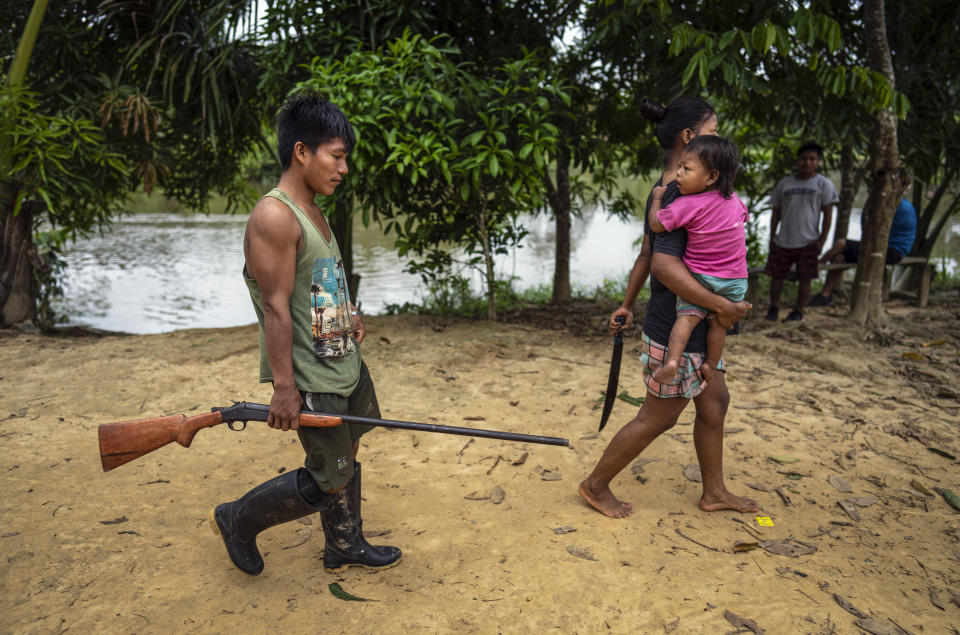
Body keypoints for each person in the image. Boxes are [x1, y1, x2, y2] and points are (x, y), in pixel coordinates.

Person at [209, 93, 401, 576]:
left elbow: (319, 282)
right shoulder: (274, 217)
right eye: (336, 156)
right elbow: (275, 308)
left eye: (344, 158)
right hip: (312, 377)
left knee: (348, 455)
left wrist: (347, 311)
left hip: (343, 361)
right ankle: (238, 518)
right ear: (302, 152)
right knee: (327, 477)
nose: (344, 168)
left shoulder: (313, 208)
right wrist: (284, 388)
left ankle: (344, 544)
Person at [578, 96, 758, 519]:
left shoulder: (679, 188)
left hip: (701, 317)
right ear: (690, 137)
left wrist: (625, 303)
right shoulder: (678, 192)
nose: (719, 137)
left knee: (714, 404)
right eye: (713, 131)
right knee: (659, 415)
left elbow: (644, 252)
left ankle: (713, 491)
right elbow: (661, 263)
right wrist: (722, 305)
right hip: (678, 320)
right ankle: (594, 485)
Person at [647, 135, 748, 386]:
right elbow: (743, 219)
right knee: (717, 326)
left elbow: (655, 225)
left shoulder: (687, 203)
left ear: (712, 177)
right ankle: (711, 364)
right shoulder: (735, 201)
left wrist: (657, 198)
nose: (678, 174)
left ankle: (672, 361)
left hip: (701, 279)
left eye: (686, 169)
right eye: (679, 167)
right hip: (735, 281)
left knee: (686, 319)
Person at [764, 142, 838, 322]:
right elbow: (776, 213)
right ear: (798, 161)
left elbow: (828, 215)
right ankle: (774, 307)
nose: (807, 163)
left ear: (818, 162)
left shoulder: (823, 184)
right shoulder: (785, 183)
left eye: (812, 159)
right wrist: (772, 236)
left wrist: (822, 240)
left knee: (806, 279)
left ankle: (798, 311)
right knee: (777, 276)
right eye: (804, 159)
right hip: (783, 240)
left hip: (809, 241)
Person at [808, 198, 918, 306]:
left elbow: (881, 231)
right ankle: (825, 295)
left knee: (841, 244)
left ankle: (816, 265)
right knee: (840, 258)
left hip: (892, 251)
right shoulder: (893, 204)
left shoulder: (899, 207)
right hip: (883, 248)